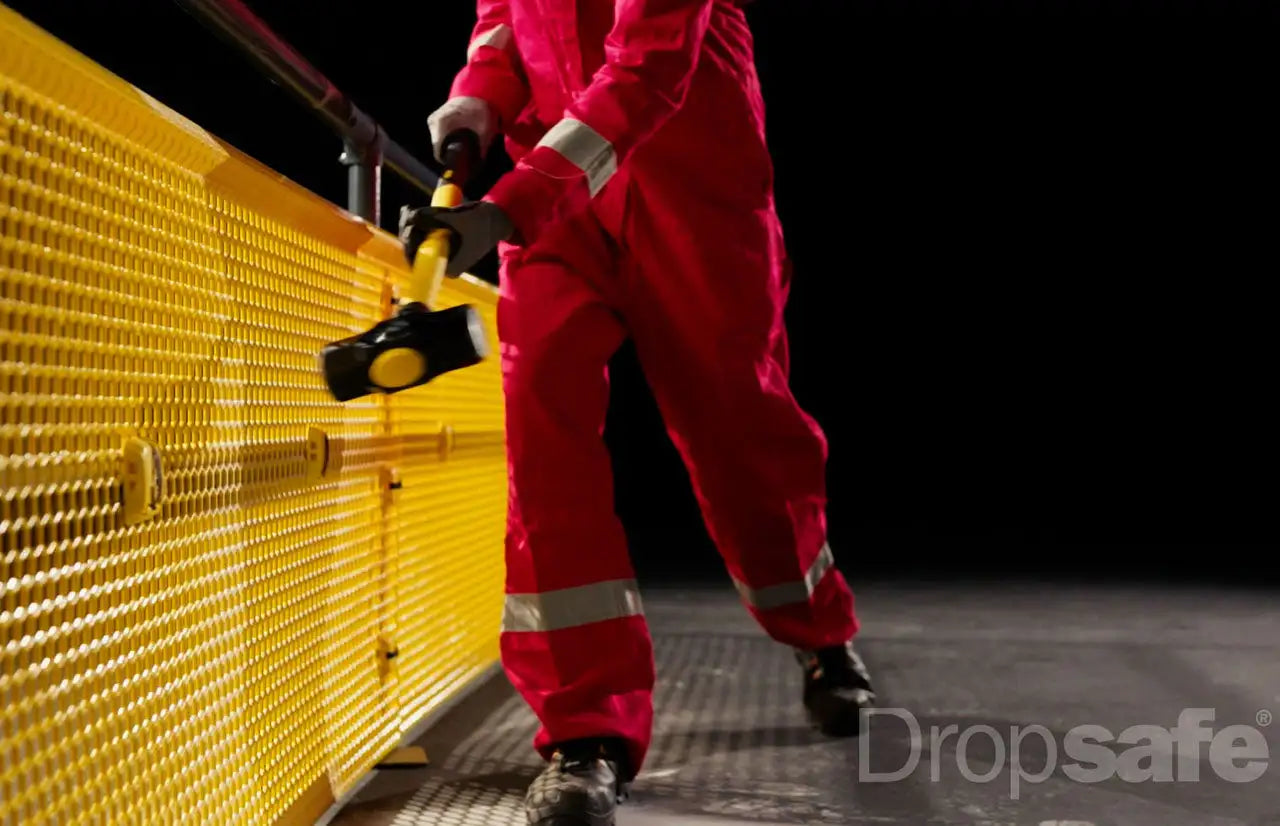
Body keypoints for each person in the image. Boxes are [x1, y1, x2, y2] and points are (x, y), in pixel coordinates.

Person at [399, 1, 874, 823]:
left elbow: (649, 67)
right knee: (541, 452)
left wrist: (514, 203)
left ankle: (818, 631)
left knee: (742, 437)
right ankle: (587, 734)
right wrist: (480, 92)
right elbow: (506, 19)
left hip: (690, 191)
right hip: (556, 197)